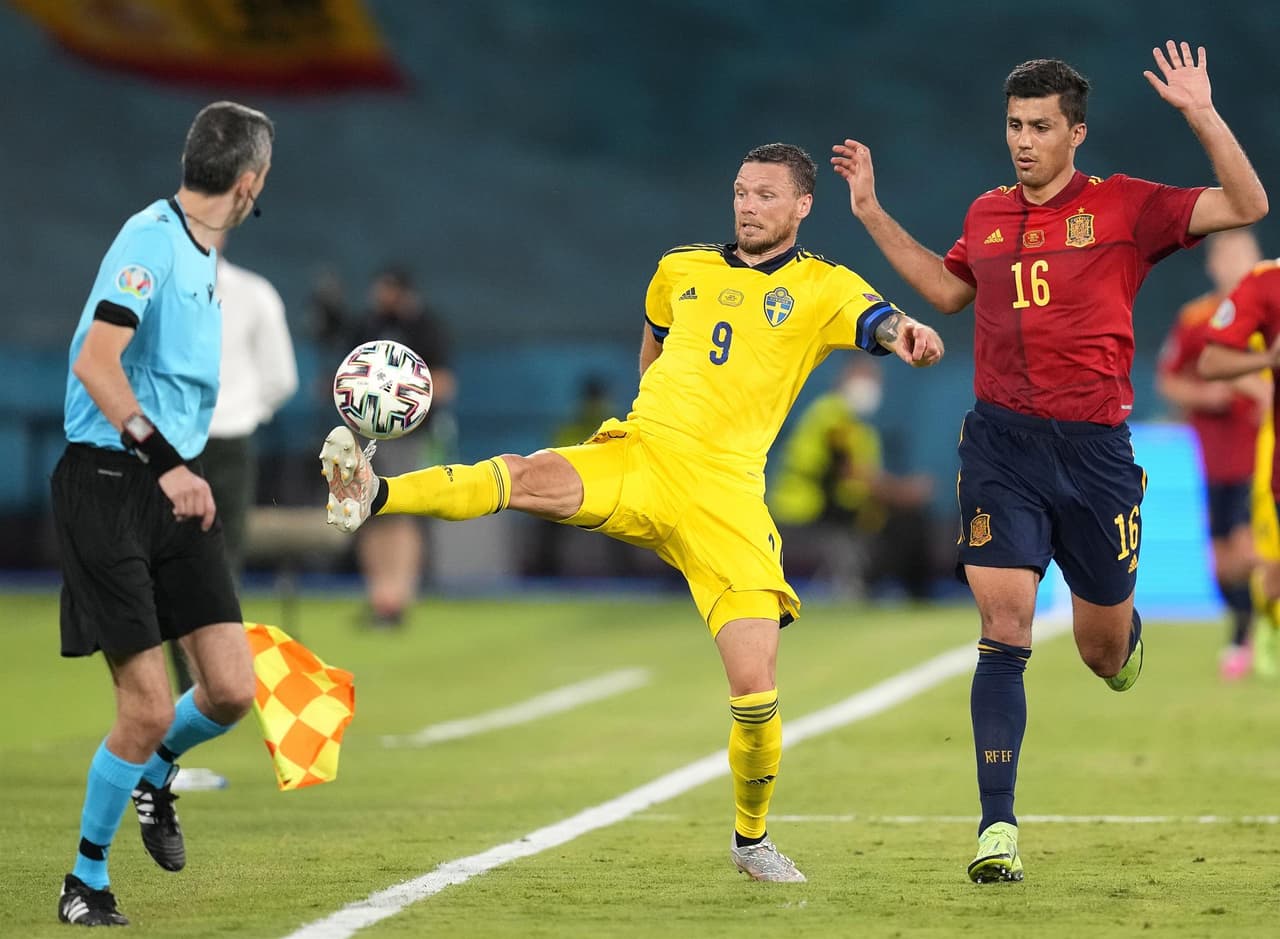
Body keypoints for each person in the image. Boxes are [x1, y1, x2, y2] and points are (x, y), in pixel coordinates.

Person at [321, 143, 945, 882]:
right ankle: (371, 491)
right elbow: (653, 338)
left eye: (767, 196)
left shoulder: (822, 286)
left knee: (755, 684)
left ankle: (752, 841)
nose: (748, 205)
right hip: (644, 456)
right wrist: (645, 414)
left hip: (726, 494)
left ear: (803, 206)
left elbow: (877, 321)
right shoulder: (680, 267)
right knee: (523, 475)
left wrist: (905, 336)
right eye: (741, 191)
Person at [833, 42, 1267, 883]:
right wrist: (872, 213)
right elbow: (951, 293)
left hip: (1097, 452)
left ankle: (1122, 633)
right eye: (1013, 125)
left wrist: (1200, 114)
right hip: (999, 445)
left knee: (1102, 651)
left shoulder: (1126, 207)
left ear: (1077, 133)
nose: (1022, 141)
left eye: (1039, 126)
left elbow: (1247, 201)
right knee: (1004, 629)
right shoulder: (988, 213)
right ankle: (998, 826)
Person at [50, 101, 274, 926]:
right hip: (111, 485)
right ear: (249, 183)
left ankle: (154, 775)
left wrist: (180, 470)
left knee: (230, 689)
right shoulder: (150, 241)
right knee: (144, 706)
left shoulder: (199, 249)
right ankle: (84, 879)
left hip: (174, 487)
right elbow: (96, 364)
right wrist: (172, 463)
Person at [166, 230, 298, 792]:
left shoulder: (161, 292)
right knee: (205, 584)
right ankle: (171, 744)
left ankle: (174, 739)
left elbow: (281, 380)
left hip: (189, 443)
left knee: (185, 584)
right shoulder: (250, 293)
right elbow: (281, 381)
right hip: (205, 445)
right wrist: (244, 410)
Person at [1155, 230, 1266, 679]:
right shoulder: (1197, 318)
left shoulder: (1271, 312)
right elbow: (1170, 380)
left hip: (1262, 457)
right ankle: (1246, 633)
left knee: (1248, 548)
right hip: (1215, 459)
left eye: (1244, 253)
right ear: (1212, 265)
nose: (1236, 263)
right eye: (1227, 256)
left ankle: (1250, 638)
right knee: (1222, 566)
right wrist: (1208, 395)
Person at [339, 266, 457, 628]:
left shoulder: (425, 327)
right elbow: (347, 375)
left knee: (402, 512)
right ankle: (378, 596)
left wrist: (398, 396)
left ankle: (400, 597)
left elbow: (446, 382)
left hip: (412, 436)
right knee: (367, 514)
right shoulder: (367, 325)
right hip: (365, 435)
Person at [769, 358, 935, 599]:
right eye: (863, 378)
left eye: (874, 380)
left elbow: (863, 476)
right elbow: (851, 472)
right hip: (807, 506)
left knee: (905, 521)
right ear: (842, 381)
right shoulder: (831, 415)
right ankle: (877, 589)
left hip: (840, 505)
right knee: (904, 521)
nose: (869, 386)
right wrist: (902, 492)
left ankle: (896, 591)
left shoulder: (860, 428)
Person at [1199, 256, 1280, 678]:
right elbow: (1208, 364)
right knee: (1246, 562)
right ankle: (1262, 623)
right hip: (1247, 458)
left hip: (1250, 456)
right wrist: (1268, 362)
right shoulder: (1265, 284)